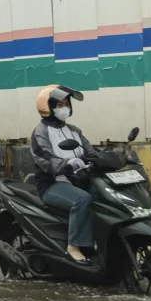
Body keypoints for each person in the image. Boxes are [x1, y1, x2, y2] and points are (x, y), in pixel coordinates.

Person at [29, 84, 95, 264]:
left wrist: (113, 158)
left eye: (66, 104)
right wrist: (66, 164)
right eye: (59, 105)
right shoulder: (40, 132)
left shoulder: (74, 131)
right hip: (52, 184)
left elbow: (91, 152)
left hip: (76, 181)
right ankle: (74, 247)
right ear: (48, 108)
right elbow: (43, 157)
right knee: (82, 200)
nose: (64, 108)